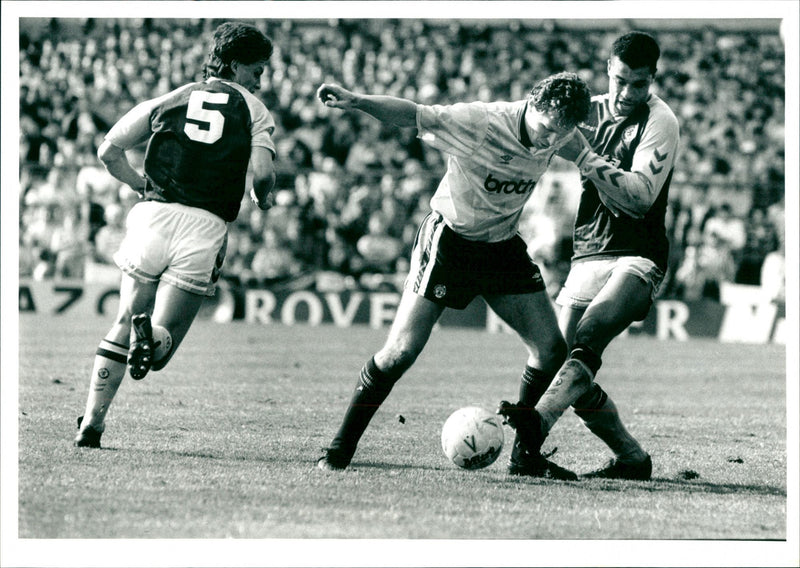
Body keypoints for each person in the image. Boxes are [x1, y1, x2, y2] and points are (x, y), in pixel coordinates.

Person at [315, 71, 592, 478]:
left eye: (561, 133)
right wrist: (357, 100)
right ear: (531, 102)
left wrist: (603, 163)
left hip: (501, 246)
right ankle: (339, 448)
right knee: (400, 352)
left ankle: (525, 458)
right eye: (548, 129)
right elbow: (413, 114)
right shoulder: (481, 121)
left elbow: (579, 146)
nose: (551, 140)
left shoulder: (561, 132)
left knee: (551, 350)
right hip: (451, 241)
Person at [74, 22, 277, 448]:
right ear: (237, 65)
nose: (261, 79)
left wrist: (135, 183)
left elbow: (108, 151)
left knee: (123, 319)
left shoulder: (172, 97)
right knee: (162, 347)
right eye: (257, 69)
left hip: (153, 214)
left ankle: (92, 421)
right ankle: (155, 335)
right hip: (204, 226)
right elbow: (262, 173)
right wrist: (262, 198)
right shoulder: (254, 109)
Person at [498, 31, 680, 481]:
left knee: (591, 333)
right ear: (607, 71)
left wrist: (583, 155)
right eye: (619, 81)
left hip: (638, 255)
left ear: (652, 79)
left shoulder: (661, 121)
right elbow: (525, 127)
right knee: (562, 361)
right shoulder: (588, 111)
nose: (626, 93)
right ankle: (631, 459)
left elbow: (639, 198)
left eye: (638, 84)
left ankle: (536, 423)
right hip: (588, 253)